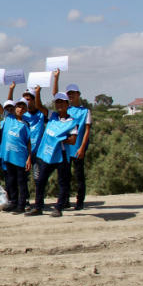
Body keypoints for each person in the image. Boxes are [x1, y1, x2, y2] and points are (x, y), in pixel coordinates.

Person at [29, 90, 78, 217]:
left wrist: (59, 140)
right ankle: (38, 207)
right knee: (40, 181)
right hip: (47, 154)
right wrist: (38, 92)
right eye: (57, 102)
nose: (59, 105)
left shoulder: (72, 122)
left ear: (67, 104)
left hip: (61, 155)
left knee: (63, 182)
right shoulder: (52, 116)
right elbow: (39, 106)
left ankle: (59, 208)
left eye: (62, 102)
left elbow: (73, 141)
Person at [53, 71, 92, 210]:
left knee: (79, 177)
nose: (71, 95)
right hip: (65, 149)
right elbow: (55, 94)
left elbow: (87, 130)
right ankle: (65, 200)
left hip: (78, 148)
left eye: (73, 93)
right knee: (64, 177)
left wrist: (82, 148)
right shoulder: (65, 109)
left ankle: (80, 201)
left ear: (78, 94)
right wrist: (56, 78)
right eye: (69, 93)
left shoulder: (85, 111)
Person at [0, 98, 32, 213]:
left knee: (21, 182)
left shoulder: (26, 124)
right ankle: (13, 202)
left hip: (20, 158)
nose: (20, 109)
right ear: (14, 108)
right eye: (18, 106)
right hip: (8, 156)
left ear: (26, 109)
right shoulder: (9, 119)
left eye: (23, 107)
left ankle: (21, 205)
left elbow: (29, 143)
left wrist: (29, 159)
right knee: (11, 181)